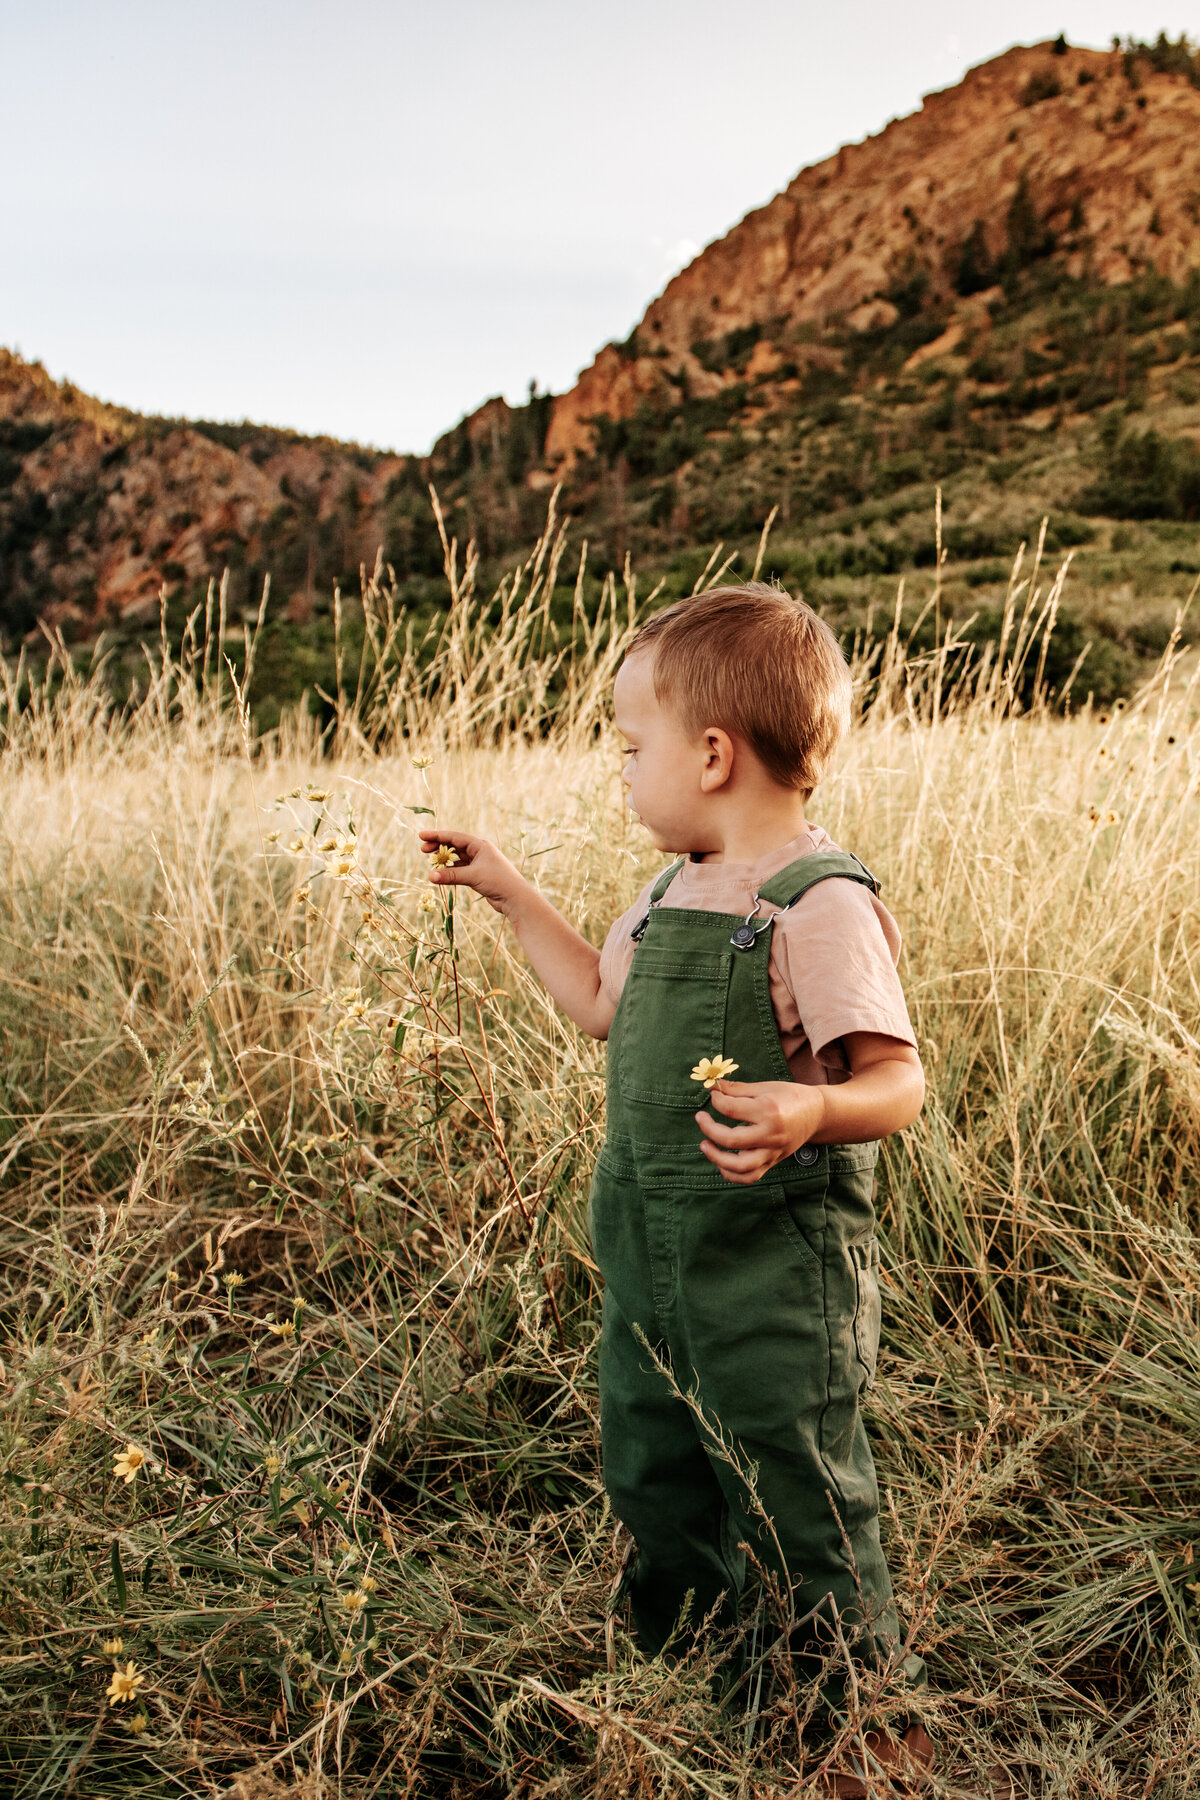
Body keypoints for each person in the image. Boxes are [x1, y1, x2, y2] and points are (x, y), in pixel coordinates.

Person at [421, 583, 933, 1790]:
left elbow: (897, 1083)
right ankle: (705, 1671)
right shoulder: (664, 894)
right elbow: (602, 1006)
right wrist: (508, 890)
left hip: (772, 1267)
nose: (621, 775)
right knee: (653, 1457)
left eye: (628, 749)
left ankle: (864, 1710)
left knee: (792, 1470)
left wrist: (813, 1104)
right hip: (648, 1247)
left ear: (712, 755)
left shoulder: (815, 902)